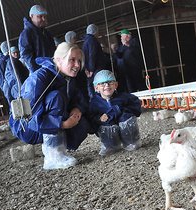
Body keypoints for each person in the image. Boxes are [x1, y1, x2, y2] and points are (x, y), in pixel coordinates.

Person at [9, 42, 91, 170]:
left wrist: (77, 108)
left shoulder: (69, 77)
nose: (77, 65)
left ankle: (61, 149)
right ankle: (54, 156)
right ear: (58, 60)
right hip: (27, 128)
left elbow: (81, 98)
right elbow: (29, 117)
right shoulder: (39, 79)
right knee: (56, 97)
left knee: (84, 121)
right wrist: (62, 124)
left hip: (46, 123)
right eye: (72, 60)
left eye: (79, 61)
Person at [89, 70, 142, 155]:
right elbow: (90, 117)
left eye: (110, 82)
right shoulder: (94, 103)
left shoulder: (123, 97)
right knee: (106, 125)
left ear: (116, 85)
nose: (107, 85)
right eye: (102, 83)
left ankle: (131, 142)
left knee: (127, 117)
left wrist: (123, 110)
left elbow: (136, 104)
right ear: (96, 88)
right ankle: (111, 146)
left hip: (124, 127)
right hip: (110, 129)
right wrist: (98, 119)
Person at [19, 4, 55, 73]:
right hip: (41, 71)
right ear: (32, 16)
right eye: (40, 16)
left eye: (44, 16)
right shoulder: (26, 33)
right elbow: (26, 55)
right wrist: (37, 71)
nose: (43, 19)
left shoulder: (46, 32)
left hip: (51, 68)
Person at [115, 29, 147, 93]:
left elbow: (136, 52)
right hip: (126, 71)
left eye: (122, 36)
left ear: (126, 37)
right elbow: (119, 56)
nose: (121, 38)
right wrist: (114, 50)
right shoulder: (121, 47)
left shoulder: (134, 43)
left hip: (135, 69)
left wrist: (127, 45)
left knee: (140, 86)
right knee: (130, 88)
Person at [82, 24, 108, 99]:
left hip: (90, 69)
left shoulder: (86, 41)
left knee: (92, 85)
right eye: (97, 31)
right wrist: (91, 69)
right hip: (95, 68)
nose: (98, 33)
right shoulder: (92, 40)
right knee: (98, 85)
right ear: (94, 31)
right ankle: (99, 102)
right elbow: (92, 55)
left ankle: (95, 100)